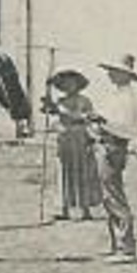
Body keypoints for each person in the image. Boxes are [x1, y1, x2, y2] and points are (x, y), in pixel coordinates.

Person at [92, 54, 137, 261]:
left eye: (114, 71)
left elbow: (126, 129)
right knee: (107, 195)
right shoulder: (117, 95)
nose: (110, 74)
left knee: (114, 194)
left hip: (114, 146)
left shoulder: (127, 99)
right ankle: (118, 244)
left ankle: (126, 247)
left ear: (125, 75)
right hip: (106, 144)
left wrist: (102, 121)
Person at [41, 68, 102, 221]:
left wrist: (93, 136)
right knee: (65, 172)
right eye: (65, 83)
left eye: (72, 83)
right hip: (65, 140)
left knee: (83, 172)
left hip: (80, 139)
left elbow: (89, 118)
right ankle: (65, 209)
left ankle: (86, 209)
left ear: (78, 85)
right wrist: (48, 100)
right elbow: (49, 111)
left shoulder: (84, 101)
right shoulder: (60, 102)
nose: (69, 86)